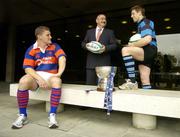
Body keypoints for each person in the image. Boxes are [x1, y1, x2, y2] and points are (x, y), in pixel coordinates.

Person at [11, 26, 66, 129]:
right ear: (39, 36)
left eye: (50, 34)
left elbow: (62, 58)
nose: (50, 36)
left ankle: (52, 115)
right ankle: (22, 115)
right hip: (36, 76)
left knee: (57, 81)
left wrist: (59, 73)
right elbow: (27, 68)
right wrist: (39, 78)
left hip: (51, 76)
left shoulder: (55, 46)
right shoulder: (31, 49)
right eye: (47, 35)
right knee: (23, 81)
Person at [118, 5, 157, 90]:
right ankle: (148, 101)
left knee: (125, 50)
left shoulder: (145, 22)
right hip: (145, 50)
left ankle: (132, 82)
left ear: (139, 13)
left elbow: (147, 39)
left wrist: (132, 45)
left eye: (133, 13)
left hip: (148, 49)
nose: (131, 16)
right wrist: (133, 45)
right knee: (145, 79)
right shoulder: (140, 25)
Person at [82, 14, 117, 85]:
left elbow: (114, 45)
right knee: (89, 86)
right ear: (96, 20)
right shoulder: (89, 32)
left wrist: (105, 48)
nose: (104, 20)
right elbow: (83, 43)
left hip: (103, 65)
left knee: (102, 87)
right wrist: (87, 46)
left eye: (105, 19)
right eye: (102, 19)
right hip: (91, 64)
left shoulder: (110, 32)